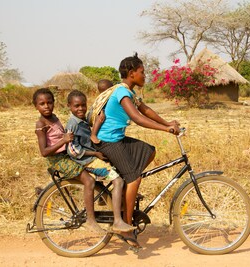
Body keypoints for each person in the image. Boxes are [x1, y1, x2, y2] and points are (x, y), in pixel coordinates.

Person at [93, 53, 180, 248]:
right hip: (107, 142)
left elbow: (146, 110)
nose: (145, 76)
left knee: (149, 151)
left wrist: (168, 122)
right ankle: (125, 224)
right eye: (142, 72)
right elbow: (138, 119)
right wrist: (166, 129)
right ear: (132, 73)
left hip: (117, 139)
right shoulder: (122, 93)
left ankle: (125, 191)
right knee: (135, 178)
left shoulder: (129, 92)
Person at [32, 88, 104, 234]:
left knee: (94, 165)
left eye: (49, 102)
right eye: (42, 104)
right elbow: (44, 152)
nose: (46, 106)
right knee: (89, 181)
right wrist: (63, 141)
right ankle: (91, 220)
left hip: (66, 155)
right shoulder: (41, 124)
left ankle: (103, 197)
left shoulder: (54, 118)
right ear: (36, 106)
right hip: (57, 159)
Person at [65, 89, 136, 233]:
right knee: (118, 181)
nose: (80, 109)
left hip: (92, 157)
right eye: (76, 106)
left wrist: (98, 119)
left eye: (83, 105)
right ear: (69, 106)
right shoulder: (73, 124)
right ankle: (117, 221)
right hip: (88, 161)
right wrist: (95, 153)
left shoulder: (82, 120)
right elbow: (72, 150)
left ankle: (110, 199)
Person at [90, 79, 114, 144]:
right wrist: (102, 112)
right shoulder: (102, 99)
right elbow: (98, 108)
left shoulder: (108, 97)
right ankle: (93, 135)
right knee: (100, 117)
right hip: (95, 114)